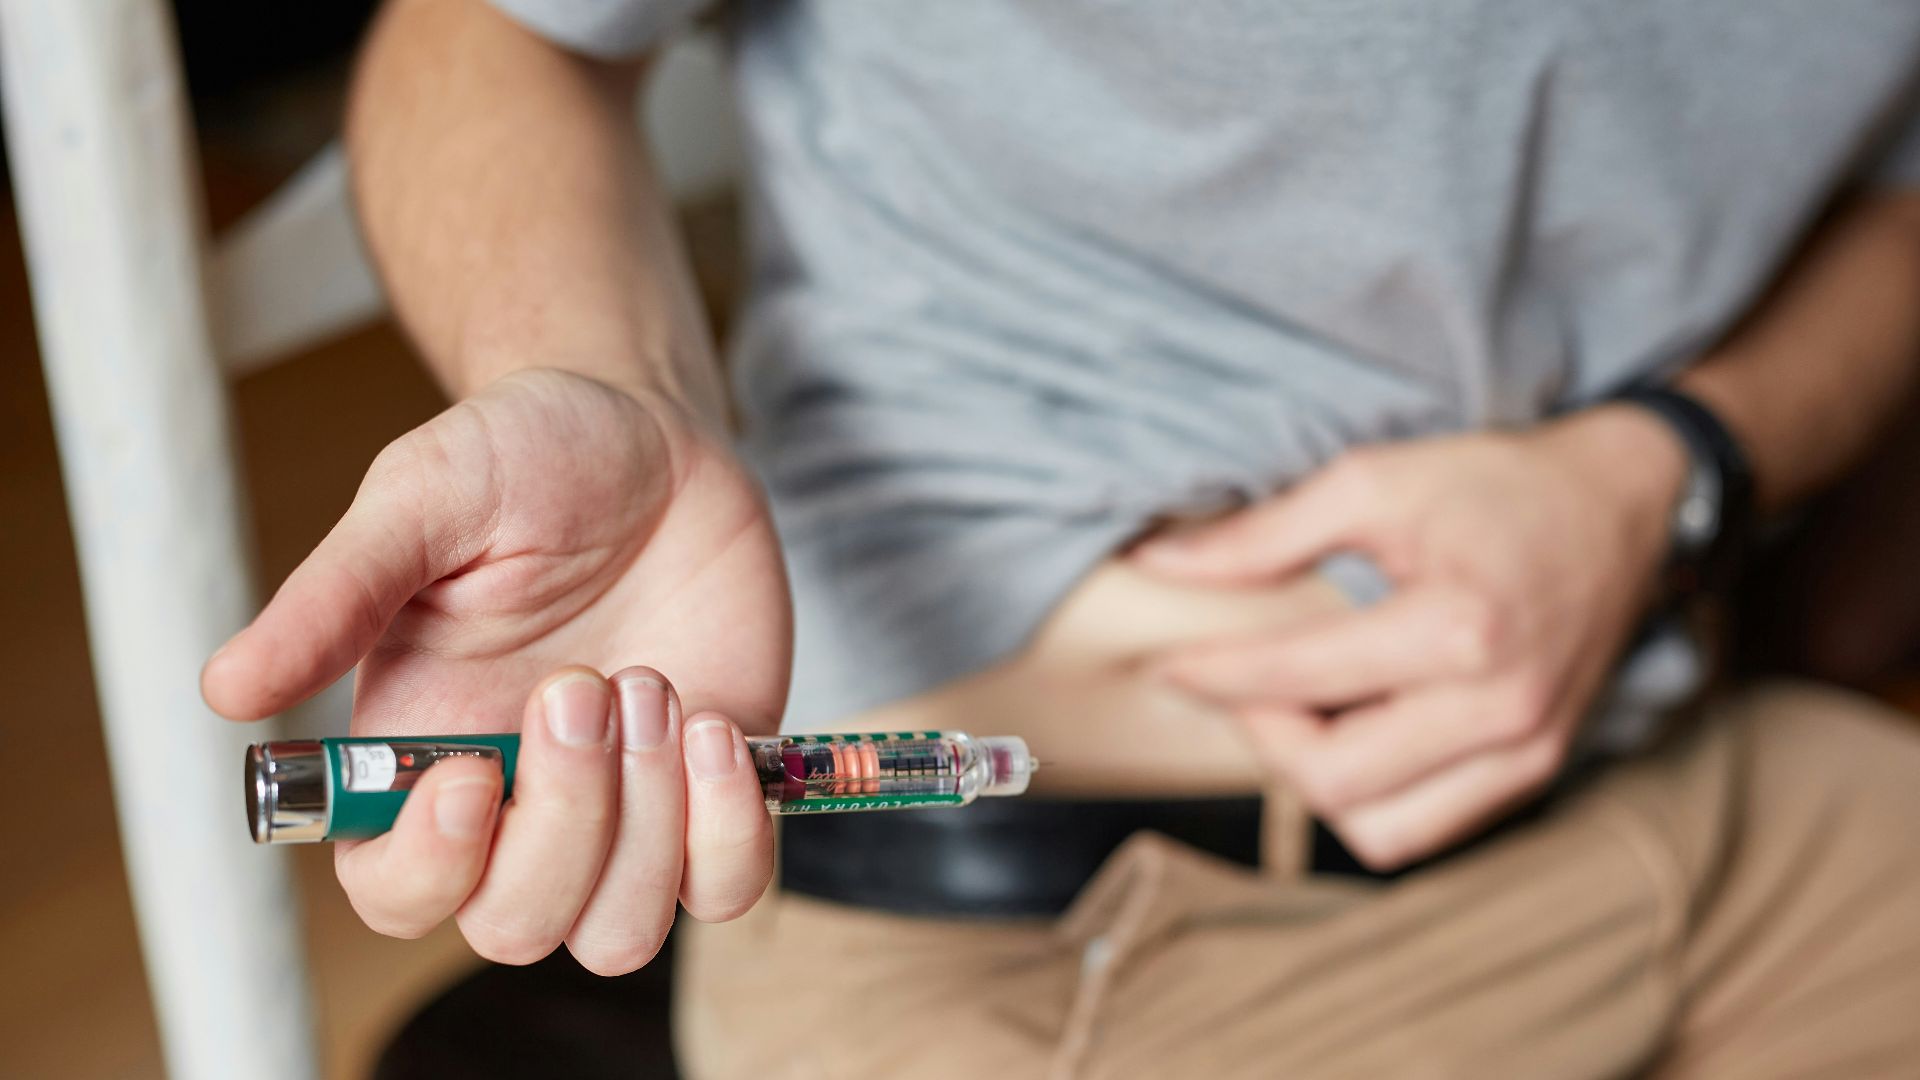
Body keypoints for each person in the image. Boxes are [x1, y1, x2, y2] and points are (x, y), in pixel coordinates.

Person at [202, 1, 1920, 1075]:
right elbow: (491, 29)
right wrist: (610, 382)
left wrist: (1672, 463)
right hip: (1064, 959)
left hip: (1718, 798)